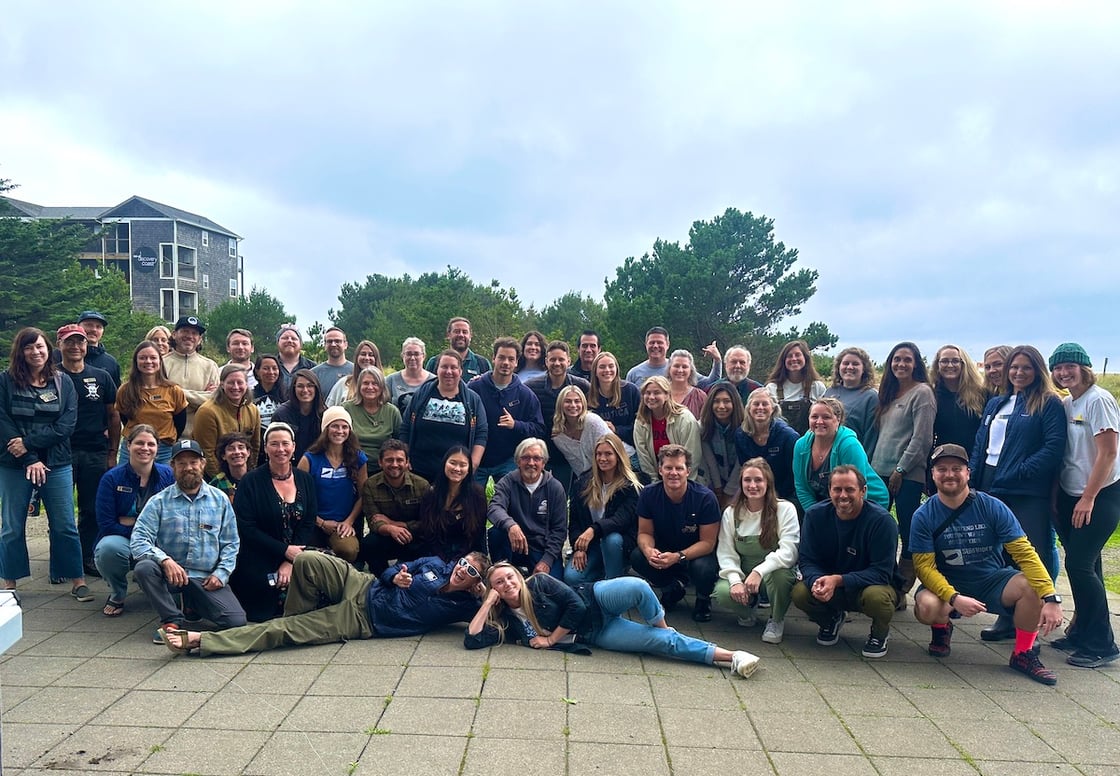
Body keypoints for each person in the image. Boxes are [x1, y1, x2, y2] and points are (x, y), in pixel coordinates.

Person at [911, 444, 1064, 684]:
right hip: (947, 583)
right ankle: (941, 630)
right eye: (941, 469)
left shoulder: (992, 506)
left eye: (956, 468)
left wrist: (1051, 597)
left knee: (1031, 587)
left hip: (991, 579)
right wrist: (953, 598)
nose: (949, 474)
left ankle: (1023, 653)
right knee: (928, 606)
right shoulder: (923, 515)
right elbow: (924, 568)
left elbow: (1025, 554)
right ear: (932, 475)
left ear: (968, 473)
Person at [159, 551, 490, 656]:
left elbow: (476, 636)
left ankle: (206, 641)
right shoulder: (434, 564)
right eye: (463, 562)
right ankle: (294, 623)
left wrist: (488, 597)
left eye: (472, 571)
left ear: (477, 582)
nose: (462, 570)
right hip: (364, 584)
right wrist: (393, 577)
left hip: (365, 618)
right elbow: (392, 569)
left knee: (287, 627)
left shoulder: (464, 605)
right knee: (307, 561)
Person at [465, 562, 760, 678]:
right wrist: (489, 602)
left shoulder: (540, 583)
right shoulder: (508, 619)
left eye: (509, 577)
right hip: (598, 632)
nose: (506, 584)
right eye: (499, 584)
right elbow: (473, 639)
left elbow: (577, 606)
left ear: (518, 575)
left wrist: (551, 640)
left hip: (595, 597)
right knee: (661, 645)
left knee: (639, 587)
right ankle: (732, 657)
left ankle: (663, 625)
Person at [969, 345, 1066, 641]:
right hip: (990, 483)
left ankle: (1035, 618)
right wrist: (972, 477)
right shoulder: (997, 402)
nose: (1018, 373)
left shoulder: (1048, 403)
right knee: (1001, 553)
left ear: (1037, 371)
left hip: (1026, 491)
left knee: (1030, 553)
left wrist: (1020, 471)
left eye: (1026, 368)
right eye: (1014, 367)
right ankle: (1008, 617)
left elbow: (1053, 447)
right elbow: (981, 444)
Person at [0, 327, 92, 601]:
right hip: (13, 463)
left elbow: (65, 426)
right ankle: (9, 583)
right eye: (29, 347)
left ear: (48, 348)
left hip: (56, 462)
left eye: (40, 346)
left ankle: (77, 580)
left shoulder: (63, 382)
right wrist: (28, 457)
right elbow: (3, 420)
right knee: (12, 526)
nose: (35, 352)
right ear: (21, 351)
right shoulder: (5, 381)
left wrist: (29, 445)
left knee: (64, 524)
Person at [1049, 343, 1120, 667]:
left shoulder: (1099, 400)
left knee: (1078, 565)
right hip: (1070, 492)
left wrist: (1089, 498)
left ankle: (1102, 644)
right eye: (1058, 368)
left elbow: (1107, 452)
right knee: (1089, 566)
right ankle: (1081, 630)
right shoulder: (1068, 402)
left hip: (1099, 494)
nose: (1064, 373)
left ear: (1084, 367)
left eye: (1070, 367)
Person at [130, 439, 246, 637]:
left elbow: (231, 543)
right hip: (170, 575)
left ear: (202, 464)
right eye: (181, 463)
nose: (188, 468)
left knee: (235, 622)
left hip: (205, 576)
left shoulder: (220, 500)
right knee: (144, 568)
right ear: (172, 466)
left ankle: (193, 604)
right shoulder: (158, 502)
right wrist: (164, 560)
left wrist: (221, 574)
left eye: (193, 462)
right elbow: (138, 540)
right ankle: (171, 620)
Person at [791, 466, 900, 658]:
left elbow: (882, 572)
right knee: (800, 593)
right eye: (837, 489)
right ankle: (831, 620)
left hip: (872, 586)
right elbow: (807, 560)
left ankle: (880, 633)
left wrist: (838, 580)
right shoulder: (815, 516)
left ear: (863, 491)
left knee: (877, 598)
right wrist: (818, 580)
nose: (843, 496)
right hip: (831, 585)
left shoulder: (882, 521)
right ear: (829, 491)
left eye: (850, 489)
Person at [230, 423, 320, 621]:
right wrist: (283, 551)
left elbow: (308, 522)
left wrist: (290, 559)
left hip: (298, 552)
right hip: (260, 552)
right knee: (264, 596)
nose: (281, 449)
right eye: (274, 444)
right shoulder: (250, 481)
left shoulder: (305, 479)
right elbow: (246, 527)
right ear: (265, 448)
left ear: (294, 447)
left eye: (285, 444)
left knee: (322, 574)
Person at [869, 341, 935, 606]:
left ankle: (901, 587)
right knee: (880, 529)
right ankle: (880, 579)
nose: (901, 364)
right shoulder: (888, 394)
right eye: (897, 359)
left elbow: (922, 437)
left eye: (907, 360)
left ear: (916, 363)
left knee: (908, 529)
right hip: (878, 473)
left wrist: (901, 468)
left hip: (906, 475)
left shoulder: (922, 393)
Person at [56, 323, 120, 576]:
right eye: (69, 341)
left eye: (79, 341)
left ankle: (87, 558)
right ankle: (62, 563)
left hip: (95, 451)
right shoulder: (52, 376)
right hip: (61, 453)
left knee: (91, 508)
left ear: (86, 345)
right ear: (59, 344)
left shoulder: (101, 376)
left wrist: (113, 452)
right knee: (61, 512)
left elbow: (113, 416)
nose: (75, 346)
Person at [630, 444, 720, 622]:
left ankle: (703, 600)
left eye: (679, 468)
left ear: (688, 471)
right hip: (664, 549)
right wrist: (649, 550)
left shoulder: (705, 498)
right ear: (660, 470)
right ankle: (671, 588)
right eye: (668, 468)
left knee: (704, 568)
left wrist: (678, 556)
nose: (674, 473)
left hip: (696, 553)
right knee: (637, 556)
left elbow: (708, 543)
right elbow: (644, 532)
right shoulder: (648, 494)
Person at [715, 458, 799, 643]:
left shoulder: (785, 509)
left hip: (772, 573)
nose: (752, 485)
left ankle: (776, 619)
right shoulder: (731, 513)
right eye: (747, 480)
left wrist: (759, 571)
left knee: (781, 577)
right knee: (722, 592)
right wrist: (736, 581)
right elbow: (726, 552)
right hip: (744, 573)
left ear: (768, 482)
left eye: (758, 480)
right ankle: (747, 609)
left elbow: (789, 551)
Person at [94, 425, 176, 616]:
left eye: (151, 444)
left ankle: (165, 589)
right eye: (139, 443)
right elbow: (107, 524)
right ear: (128, 445)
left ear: (157, 448)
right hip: (124, 539)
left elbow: (174, 517)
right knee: (107, 548)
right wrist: (142, 532)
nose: (145, 448)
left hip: (160, 539)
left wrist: (133, 521)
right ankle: (118, 592)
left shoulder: (169, 476)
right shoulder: (111, 479)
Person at [398, 350, 488, 482]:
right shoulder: (421, 395)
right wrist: (405, 457)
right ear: (437, 369)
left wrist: (472, 465)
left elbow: (481, 433)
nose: (449, 371)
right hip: (419, 471)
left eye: (454, 367)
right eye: (444, 367)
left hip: (456, 474)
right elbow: (405, 427)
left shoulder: (473, 400)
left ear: (461, 371)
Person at [564, 433, 641, 586]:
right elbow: (574, 521)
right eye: (598, 454)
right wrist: (578, 547)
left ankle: (613, 585)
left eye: (608, 454)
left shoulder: (631, 486)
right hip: (591, 545)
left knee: (611, 538)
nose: (602, 458)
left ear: (618, 455)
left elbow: (620, 520)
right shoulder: (583, 482)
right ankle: (601, 577)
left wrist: (593, 530)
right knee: (572, 578)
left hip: (619, 545)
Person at [468, 337, 546, 486]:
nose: (506, 363)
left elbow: (539, 429)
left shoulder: (525, 395)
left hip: (508, 460)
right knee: (472, 504)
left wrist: (515, 425)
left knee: (508, 503)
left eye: (511, 359)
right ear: (493, 359)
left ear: (516, 362)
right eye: (501, 357)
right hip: (476, 458)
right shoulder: (474, 388)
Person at [487, 438, 567, 579]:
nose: (531, 463)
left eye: (536, 458)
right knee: (496, 533)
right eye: (526, 458)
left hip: (542, 547)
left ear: (544, 463)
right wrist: (511, 526)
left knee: (552, 588)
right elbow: (494, 507)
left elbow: (559, 530)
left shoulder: (555, 487)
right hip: (514, 544)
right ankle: (501, 571)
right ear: (518, 461)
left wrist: (546, 561)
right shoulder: (508, 482)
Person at [793, 398, 888, 513]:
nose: (819, 421)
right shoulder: (801, 446)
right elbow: (802, 488)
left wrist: (839, 521)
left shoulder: (849, 446)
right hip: (829, 503)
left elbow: (858, 490)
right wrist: (815, 516)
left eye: (826, 417)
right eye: (814, 417)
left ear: (838, 420)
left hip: (866, 502)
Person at [298, 406, 368, 562]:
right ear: (326, 429)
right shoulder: (309, 459)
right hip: (313, 521)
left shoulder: (358, 458)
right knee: (311, 557)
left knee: (347, 550)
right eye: (335, 426)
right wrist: (321, 523)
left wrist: (349, 522)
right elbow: (298, 498)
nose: (340, 431)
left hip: (343, 522)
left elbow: (364, 496)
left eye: (345, 427)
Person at [525, 341, 590, 490]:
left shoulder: (582, 386)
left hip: (568, 456)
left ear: (569, 361)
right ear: (546, 361)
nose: (557, 363)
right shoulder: (531, 387)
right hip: (540, 453)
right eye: (553, 359)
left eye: (561, 359)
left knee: (562, 496)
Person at [359, 440, 432, 573]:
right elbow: (373, 521)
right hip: (386, 538)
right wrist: (389, 528)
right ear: (380, 462)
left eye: (399, 460)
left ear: (407, 462)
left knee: (429, 544)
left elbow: (427, 523)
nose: (395, 464)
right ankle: (382, 580)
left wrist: (395, 524)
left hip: (414, 538)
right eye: (389, 460)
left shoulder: (422, 485)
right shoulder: (370, 485)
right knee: (368, 544)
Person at [115, 341, 188, 464]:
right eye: (142, 358)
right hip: (133, 448)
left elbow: (180, 422)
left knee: (164, 483)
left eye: (153, 357)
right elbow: (125, 418)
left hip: (164, 449)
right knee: (127, 482)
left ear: (160, 361)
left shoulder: (173, 390)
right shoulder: (125, 390)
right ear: (136, 362)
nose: (148, 361)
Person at [192, 364, 261, 480]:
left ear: (246, 384)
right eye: (230, 382)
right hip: (215, 475)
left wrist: (249, 475)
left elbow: (255, 445)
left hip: (244, 474)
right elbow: (207, 452)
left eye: (240, 382)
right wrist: (222, 480)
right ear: (222, 384)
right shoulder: (207, 411)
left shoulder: (253, 410)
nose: (235, 387)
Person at [735, 387, 799, 504]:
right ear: (749, 408)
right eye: (756, 404)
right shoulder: (740, 435)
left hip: (785, 495)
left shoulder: (788, 436)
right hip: (754, 491)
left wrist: (774, 498)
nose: (760, 408)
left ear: (773, 408)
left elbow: (794, 475)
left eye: (765, 404)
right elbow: (744, 469)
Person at [634, 376, 702, 482]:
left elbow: (693, 455)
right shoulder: (641, 421)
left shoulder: (685, 418)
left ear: (667, 395)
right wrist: (655, 485)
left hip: (685, 479)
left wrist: (683, 484)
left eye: (657, 393)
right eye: (647, 393)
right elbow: (644, 458)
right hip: (657, 479)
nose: (651, 397)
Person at [162, 315, 220, 435]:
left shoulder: (210, 366)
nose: (189, 336)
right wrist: (200, 397)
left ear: (200, 339)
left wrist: (176, 392)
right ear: (174, 334)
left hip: (200, 435)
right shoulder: (160, 363)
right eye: (185, 331)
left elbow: (215, 401)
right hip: (166, 436)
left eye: (194, 333)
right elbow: (159, 399)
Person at [587, 351, 642, 471]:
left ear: (616, 369)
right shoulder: (588, 397)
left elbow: (642, 425)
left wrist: (616, 430)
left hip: (631, 454)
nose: (607, 370)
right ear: (595, 371)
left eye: (611, 366)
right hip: (602, 457)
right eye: (602, 367)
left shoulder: (631, 391)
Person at [343, 366, 402, 473]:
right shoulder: (346, 409)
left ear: (382, 387)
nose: (370, 387)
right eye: (365, 383)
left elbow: (400, 442)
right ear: (359, 386)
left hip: (384, 469)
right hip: (352, 467)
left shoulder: (392, 412)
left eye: (375, 383)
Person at [930, 344, 985, 451]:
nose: (950, 365)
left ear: (964, 364)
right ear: (937, 365)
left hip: (974, 458)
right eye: (944, 361)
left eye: (955, 361)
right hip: (942, 460)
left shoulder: (981, 394)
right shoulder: (931, 395)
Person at [765, 339, 826, 435]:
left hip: (809, 444)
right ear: (783, 361)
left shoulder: (817, 387)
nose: (794, 359)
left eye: (797, 355)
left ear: (805, 358)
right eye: (789, 356)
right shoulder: (772, 388)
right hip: (781, 444)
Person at [823, 346, 878, 450]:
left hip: (851, 455)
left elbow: (871, 437)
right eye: (846, 363)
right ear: (839, 367)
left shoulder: (871, 397)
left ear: (864, 369)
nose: (850, 367)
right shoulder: (829, 392)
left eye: (855, 364)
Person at [698, 384, 744, 508]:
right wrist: (718, 489)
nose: (721, 406)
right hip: (713, 480)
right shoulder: (703, 427)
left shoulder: (745, 428)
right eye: (716, 401)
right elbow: (710, 461)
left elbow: (741, 463)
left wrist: (728, 492)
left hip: (739, 481)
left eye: (727, 401)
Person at [551, 385, 610, 480]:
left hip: (618, 465)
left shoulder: (593, 422)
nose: (573, 405)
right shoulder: (559, 437)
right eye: (568, 401)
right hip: (591, 478)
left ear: (583, 403)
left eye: (577, 401)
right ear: (560, 404)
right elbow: (578, 467)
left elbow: (611, 451)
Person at [271, 369, 325, 464]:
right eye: (300, 386)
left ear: (316, 388)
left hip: (318, 464)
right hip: (289, 465)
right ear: (293, 389)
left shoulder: (325, 413)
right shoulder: (282, 414)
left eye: (310, 386)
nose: (305, 390)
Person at [423, 317, 492, 381]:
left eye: (465, 332)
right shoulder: (434, 363)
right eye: (457, 331)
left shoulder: (482, 364)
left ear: (470, 336)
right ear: (448, 335)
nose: (461, 335)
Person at [327, 339, 383, 407]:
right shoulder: (344, 383)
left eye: (371, 355)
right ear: (357, 357)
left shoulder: (385, 383)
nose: (367, 358)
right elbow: (329, 409)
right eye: (363, 354)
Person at [251, 354, 286, 461]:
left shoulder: (287, 395)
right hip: (257, 449)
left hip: (282, 448)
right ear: (257, 371)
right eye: (266, 368)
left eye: (274, 368)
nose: (271, 372)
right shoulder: (249, 396)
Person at [76, 310, 121, 385]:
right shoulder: (63, 357)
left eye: (98, 327)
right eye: (89, 325)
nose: (94, 329)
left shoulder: (111, 362)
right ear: (78, 327)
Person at [384, 338, 430, 411]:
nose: (412, 358)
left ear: (423, 356)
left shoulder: (433, 381)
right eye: (408, 354)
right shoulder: (391, 380)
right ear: (402, 356)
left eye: (416, 354)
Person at [209, 431, 251, 501]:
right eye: (231, 449)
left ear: (248, 452)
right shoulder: (216, 483)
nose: (237, 452)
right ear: (223, 456)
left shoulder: (259, 478)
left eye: (241, 447)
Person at [311, 326, 352, 397]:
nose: (333, 344)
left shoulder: (356, 371)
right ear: (325, 345)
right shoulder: (314, 374)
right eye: (329, 341)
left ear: (345, 345)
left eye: (337, 341)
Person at [667, 349, 709, 417]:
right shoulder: (660, 393)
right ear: (669, 368)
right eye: (676, 366)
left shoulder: (700, 397)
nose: (680, 370)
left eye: (684, 367)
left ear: (691, 370)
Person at [275, 323, 315, 392]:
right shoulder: (269, 366)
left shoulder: (312, 367)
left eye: (294, 338)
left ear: (301, 344)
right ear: (277, 343)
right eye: (285, 338)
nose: (289, 341)